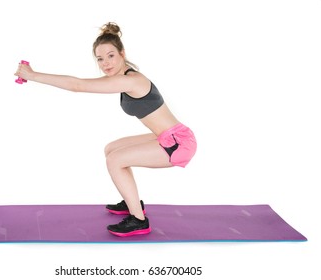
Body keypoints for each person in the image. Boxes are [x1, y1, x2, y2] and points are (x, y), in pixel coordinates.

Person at [14, 22, 197, 237]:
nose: (105, 63)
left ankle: (139, 220)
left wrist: (33, 75)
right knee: (112, 149)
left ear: (122, 53)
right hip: (168, 136)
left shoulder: (132, 80)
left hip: (178, 144)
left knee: (115, 160)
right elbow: (79, 82)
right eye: (100, 59)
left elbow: (78, 85)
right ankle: (132, 202)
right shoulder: (123, 78)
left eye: (110, 56)